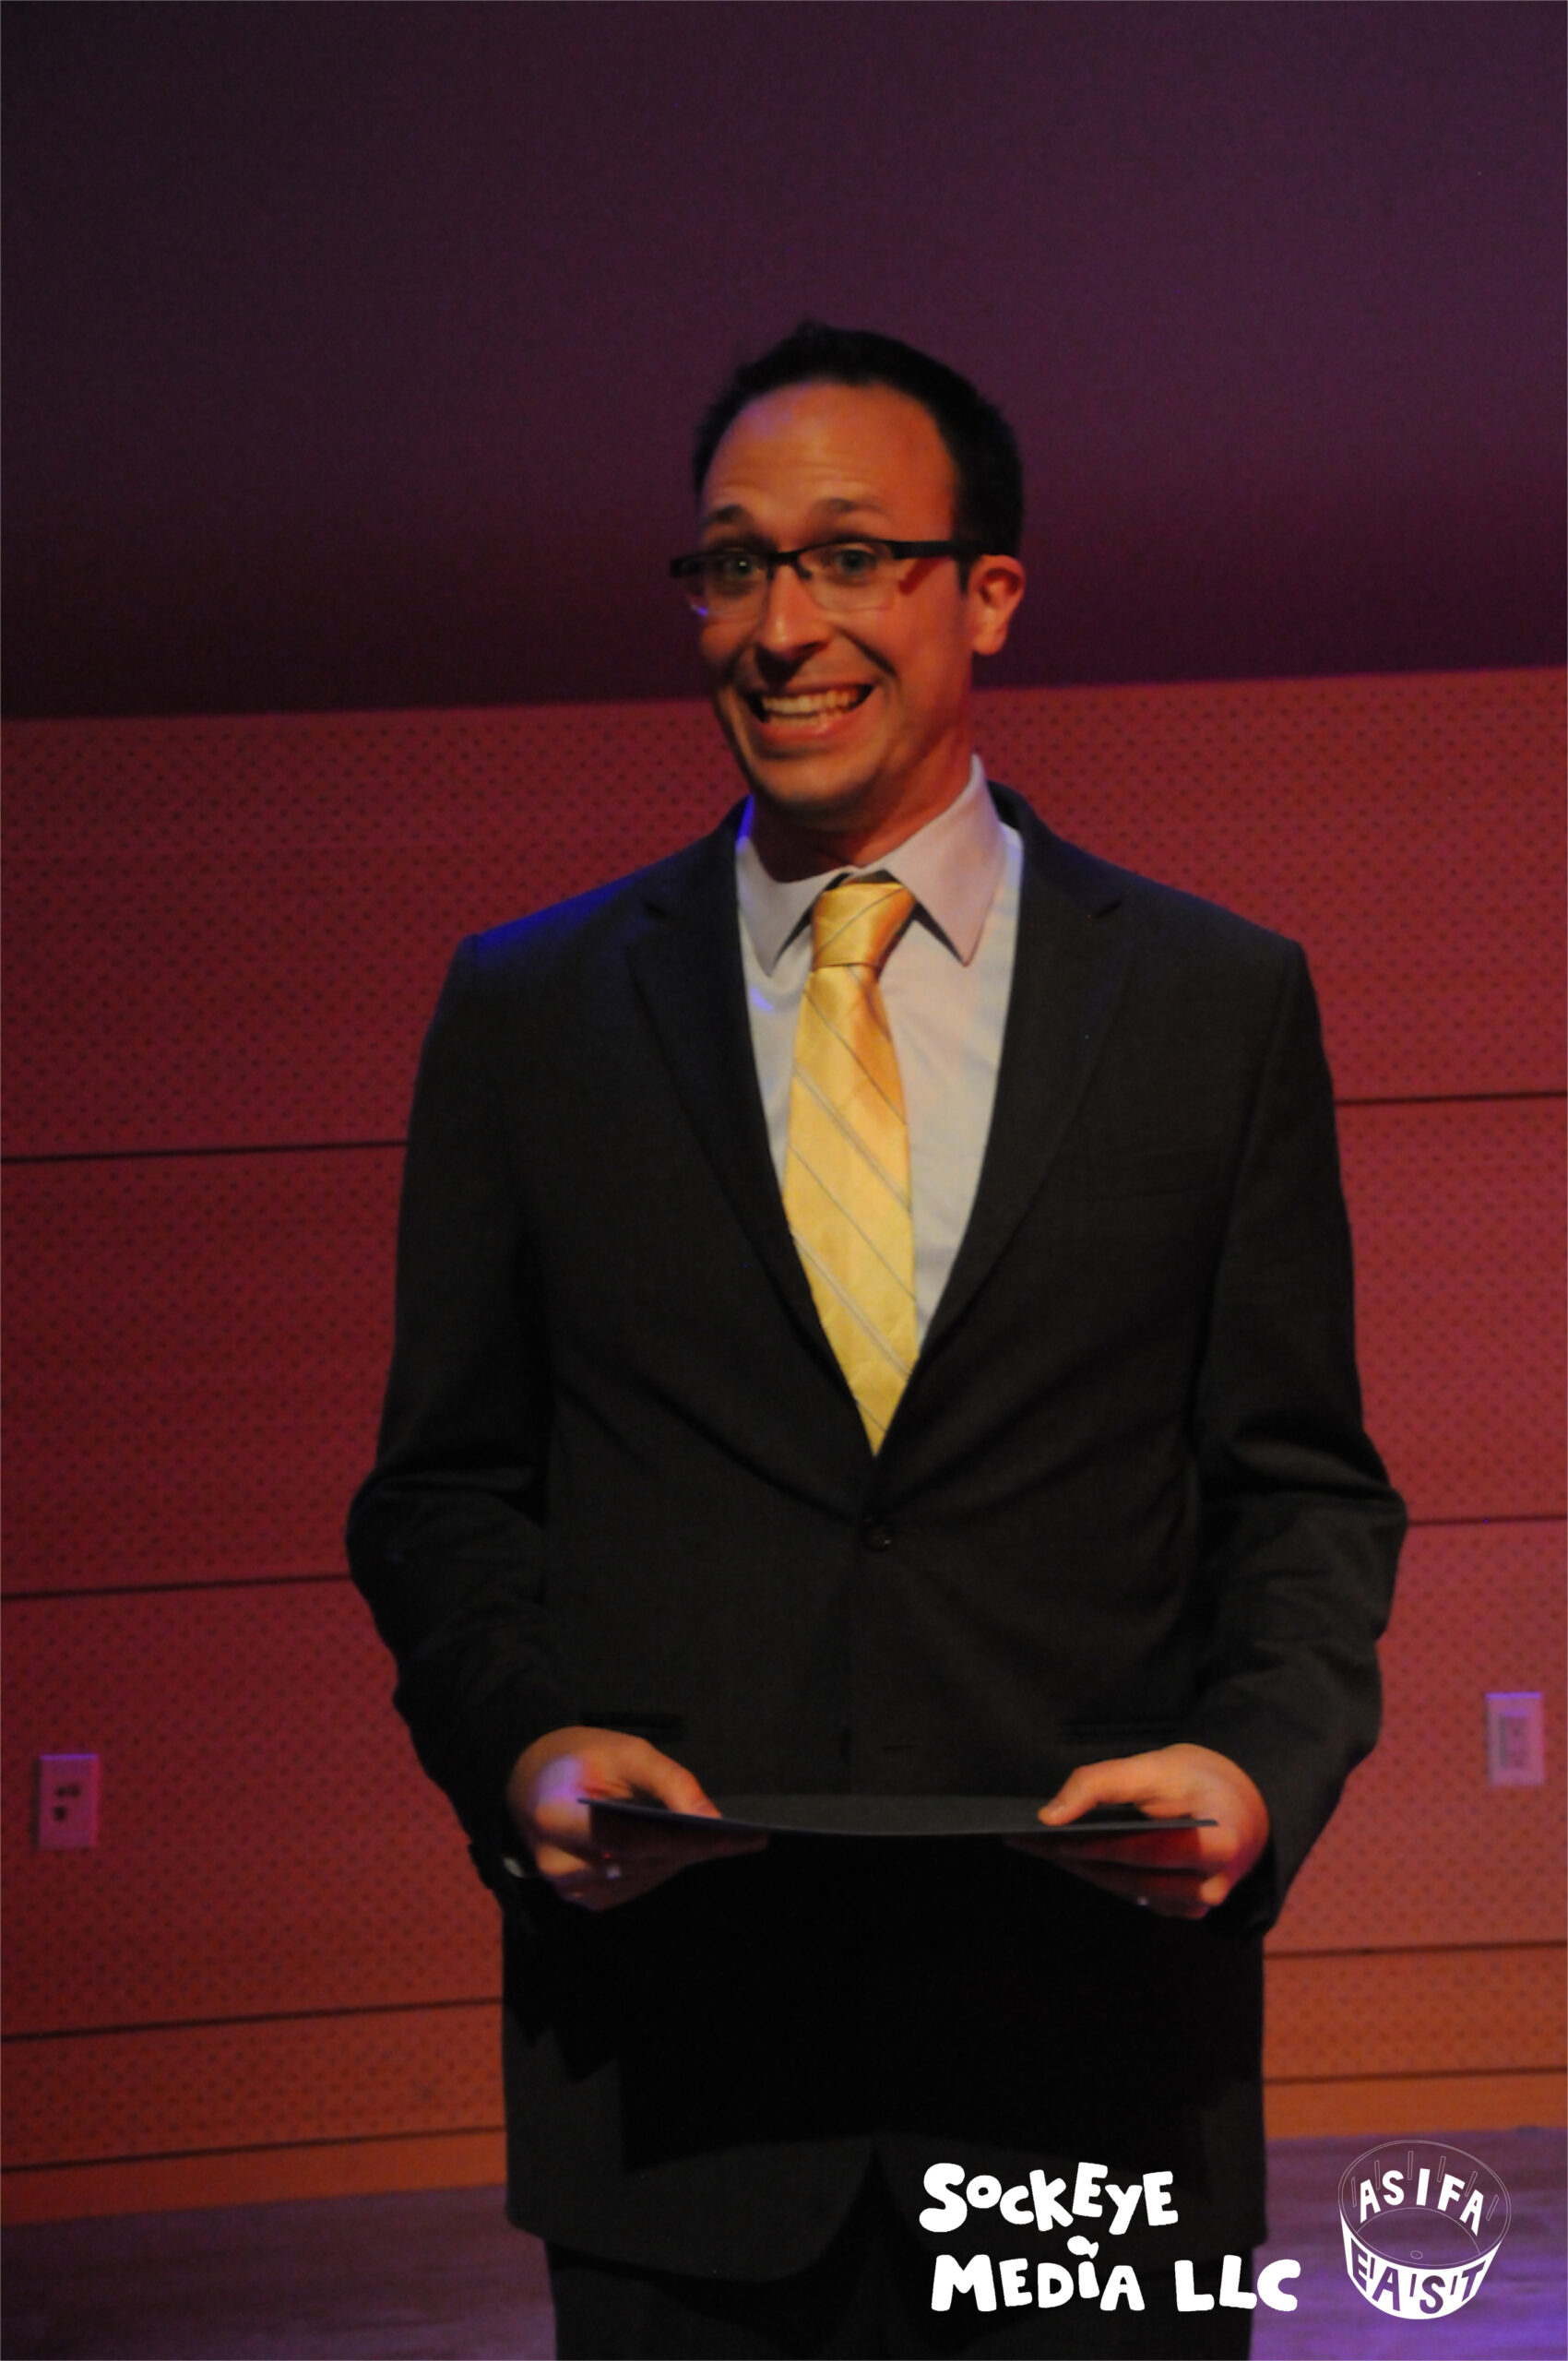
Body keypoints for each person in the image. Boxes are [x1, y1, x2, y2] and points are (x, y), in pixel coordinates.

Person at [348, 322, 1404, 2358]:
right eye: (732, 563)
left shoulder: (1216, 1003)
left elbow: (1302, 1492)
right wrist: (525, 1741)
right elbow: (442, 1491)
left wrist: (1255, 1768)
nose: (779, 625)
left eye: (848, 556)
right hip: (679, 2077)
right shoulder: (529, 1010)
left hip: (1094, 2076)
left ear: (986, 593)